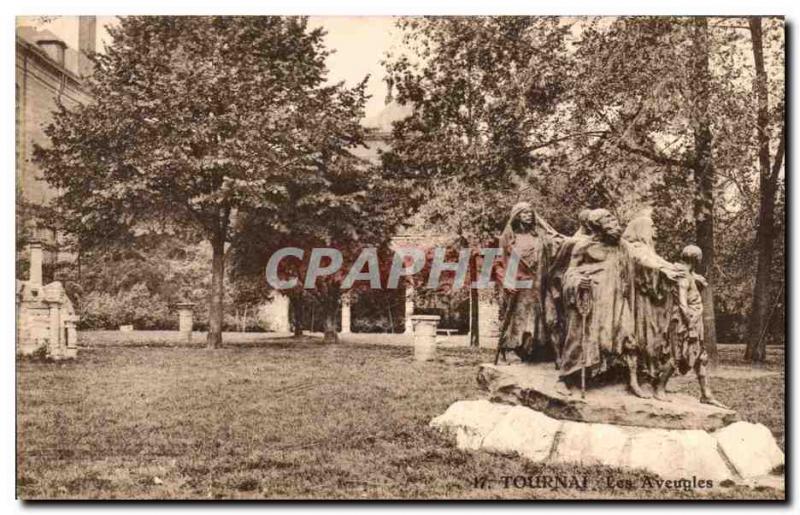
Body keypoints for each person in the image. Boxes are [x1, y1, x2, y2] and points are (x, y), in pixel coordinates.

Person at [621, 214, 684, 401]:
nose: (656, 230)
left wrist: (680, 272)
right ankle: (643, 379)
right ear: (641, 230)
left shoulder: (649, 250)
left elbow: (662, 263)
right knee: (646, 338)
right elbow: (645, 264)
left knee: (656, 340)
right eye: (652, 226)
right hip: (642, 304)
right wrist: (664, 270)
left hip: (655, 305)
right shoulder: (635, 249)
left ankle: (653, 380)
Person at [495, 201, 564, 363]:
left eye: (530, 213)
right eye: (524, 213)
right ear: (516, 216)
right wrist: (505, 281)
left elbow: (559, 242)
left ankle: (543, 351)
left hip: (540, 282)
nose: (528, 215)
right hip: (519, 284)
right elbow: (498, 262)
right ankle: (512, 348)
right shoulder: (508, 238)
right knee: (519, 316)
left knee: (548, 316)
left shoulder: (540, 236)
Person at [666, 245, 727, 408]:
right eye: (699, 258)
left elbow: (695, 279)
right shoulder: (683, 277)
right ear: (695, 259)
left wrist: (698, 279)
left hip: (694, 320)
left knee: (701, 357)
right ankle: (658, 389)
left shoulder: (691, 275)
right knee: (677, 356)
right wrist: (691, 327)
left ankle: (706, 394)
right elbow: (682, 304)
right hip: (685, 322)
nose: (701, 261)